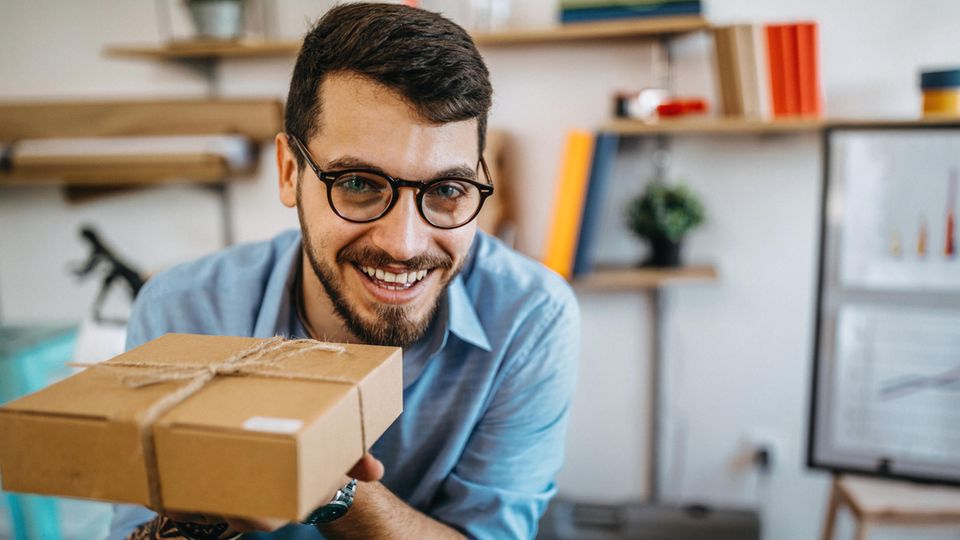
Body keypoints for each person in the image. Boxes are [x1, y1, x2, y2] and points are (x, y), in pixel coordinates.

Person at [108, 3, 579, 539]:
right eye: (358, 184)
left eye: (447, 191)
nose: (404, 244)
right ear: (289, 174)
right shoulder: (184, 309)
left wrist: (336, 489)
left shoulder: (530, 316)